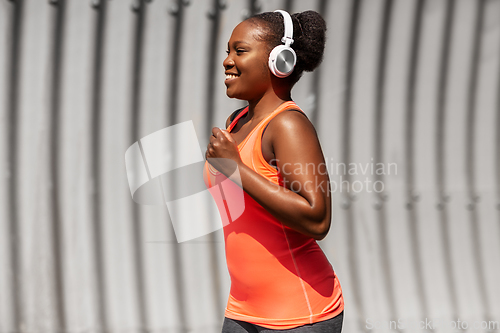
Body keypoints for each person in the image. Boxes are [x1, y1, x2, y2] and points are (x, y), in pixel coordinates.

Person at [204, 9, 344, 333]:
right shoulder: (235, 123)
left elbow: (317, 217)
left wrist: (235, 169)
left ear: (279, 61)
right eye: (227, 51)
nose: (227, 61)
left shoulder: (288, 125)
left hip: (299, 314)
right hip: (242, 309)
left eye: (240, 51)